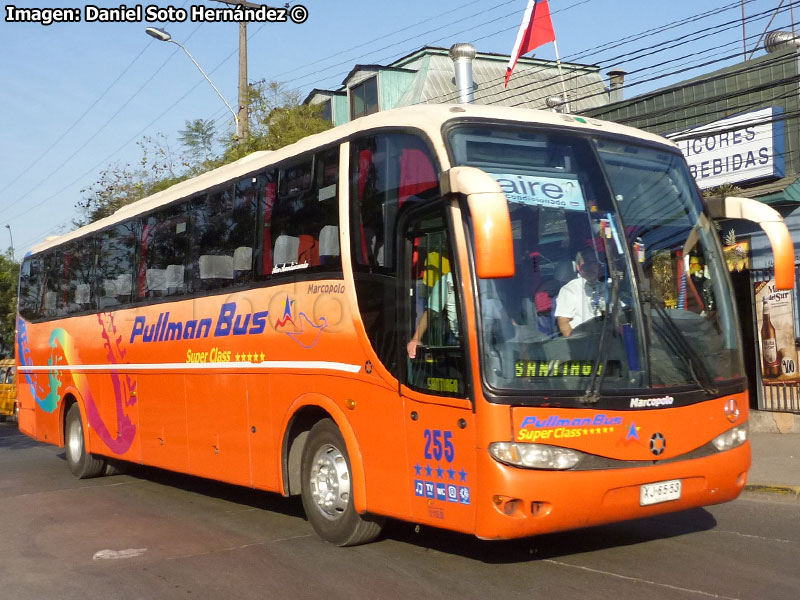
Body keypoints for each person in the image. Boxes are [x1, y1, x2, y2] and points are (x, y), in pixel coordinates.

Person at [407, 270, 459, 358]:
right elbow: (430, 312)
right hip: (458, 341)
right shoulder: (447, 280)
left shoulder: (483, 279)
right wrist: (416, 339)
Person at [554, 251, 607, 337]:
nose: (590, 267)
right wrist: (575, 342)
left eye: (593, 263)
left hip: (609, 337)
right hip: (584, 340)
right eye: (586, 263)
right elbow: (563, 321)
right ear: (578, 267)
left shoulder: (608, 286)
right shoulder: (569, 289)